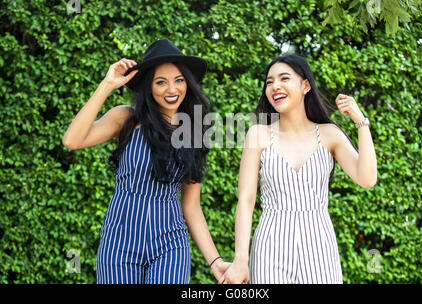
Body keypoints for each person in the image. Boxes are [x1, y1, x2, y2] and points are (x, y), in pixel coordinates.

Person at [62, 39, 230, 284]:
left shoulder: (194, 134)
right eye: (161, 82)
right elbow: (71, 140)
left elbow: (191, 206)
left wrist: (216, 262)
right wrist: (107, 84)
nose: (171, 89)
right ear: (149, 87)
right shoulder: (126, 118)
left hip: (170, 245)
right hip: (119, 241)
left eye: (179, 80)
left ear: (188, 83)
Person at [220, 54, 377, 284]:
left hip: (320, 249)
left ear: (305, 85)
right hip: (270, 249)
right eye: (269, 82)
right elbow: (246, 200)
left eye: (284, 78)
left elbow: (367, 178)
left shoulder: (329, 134)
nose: (275, 87)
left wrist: (360, 121)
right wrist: (241, 260)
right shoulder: (258, 135)